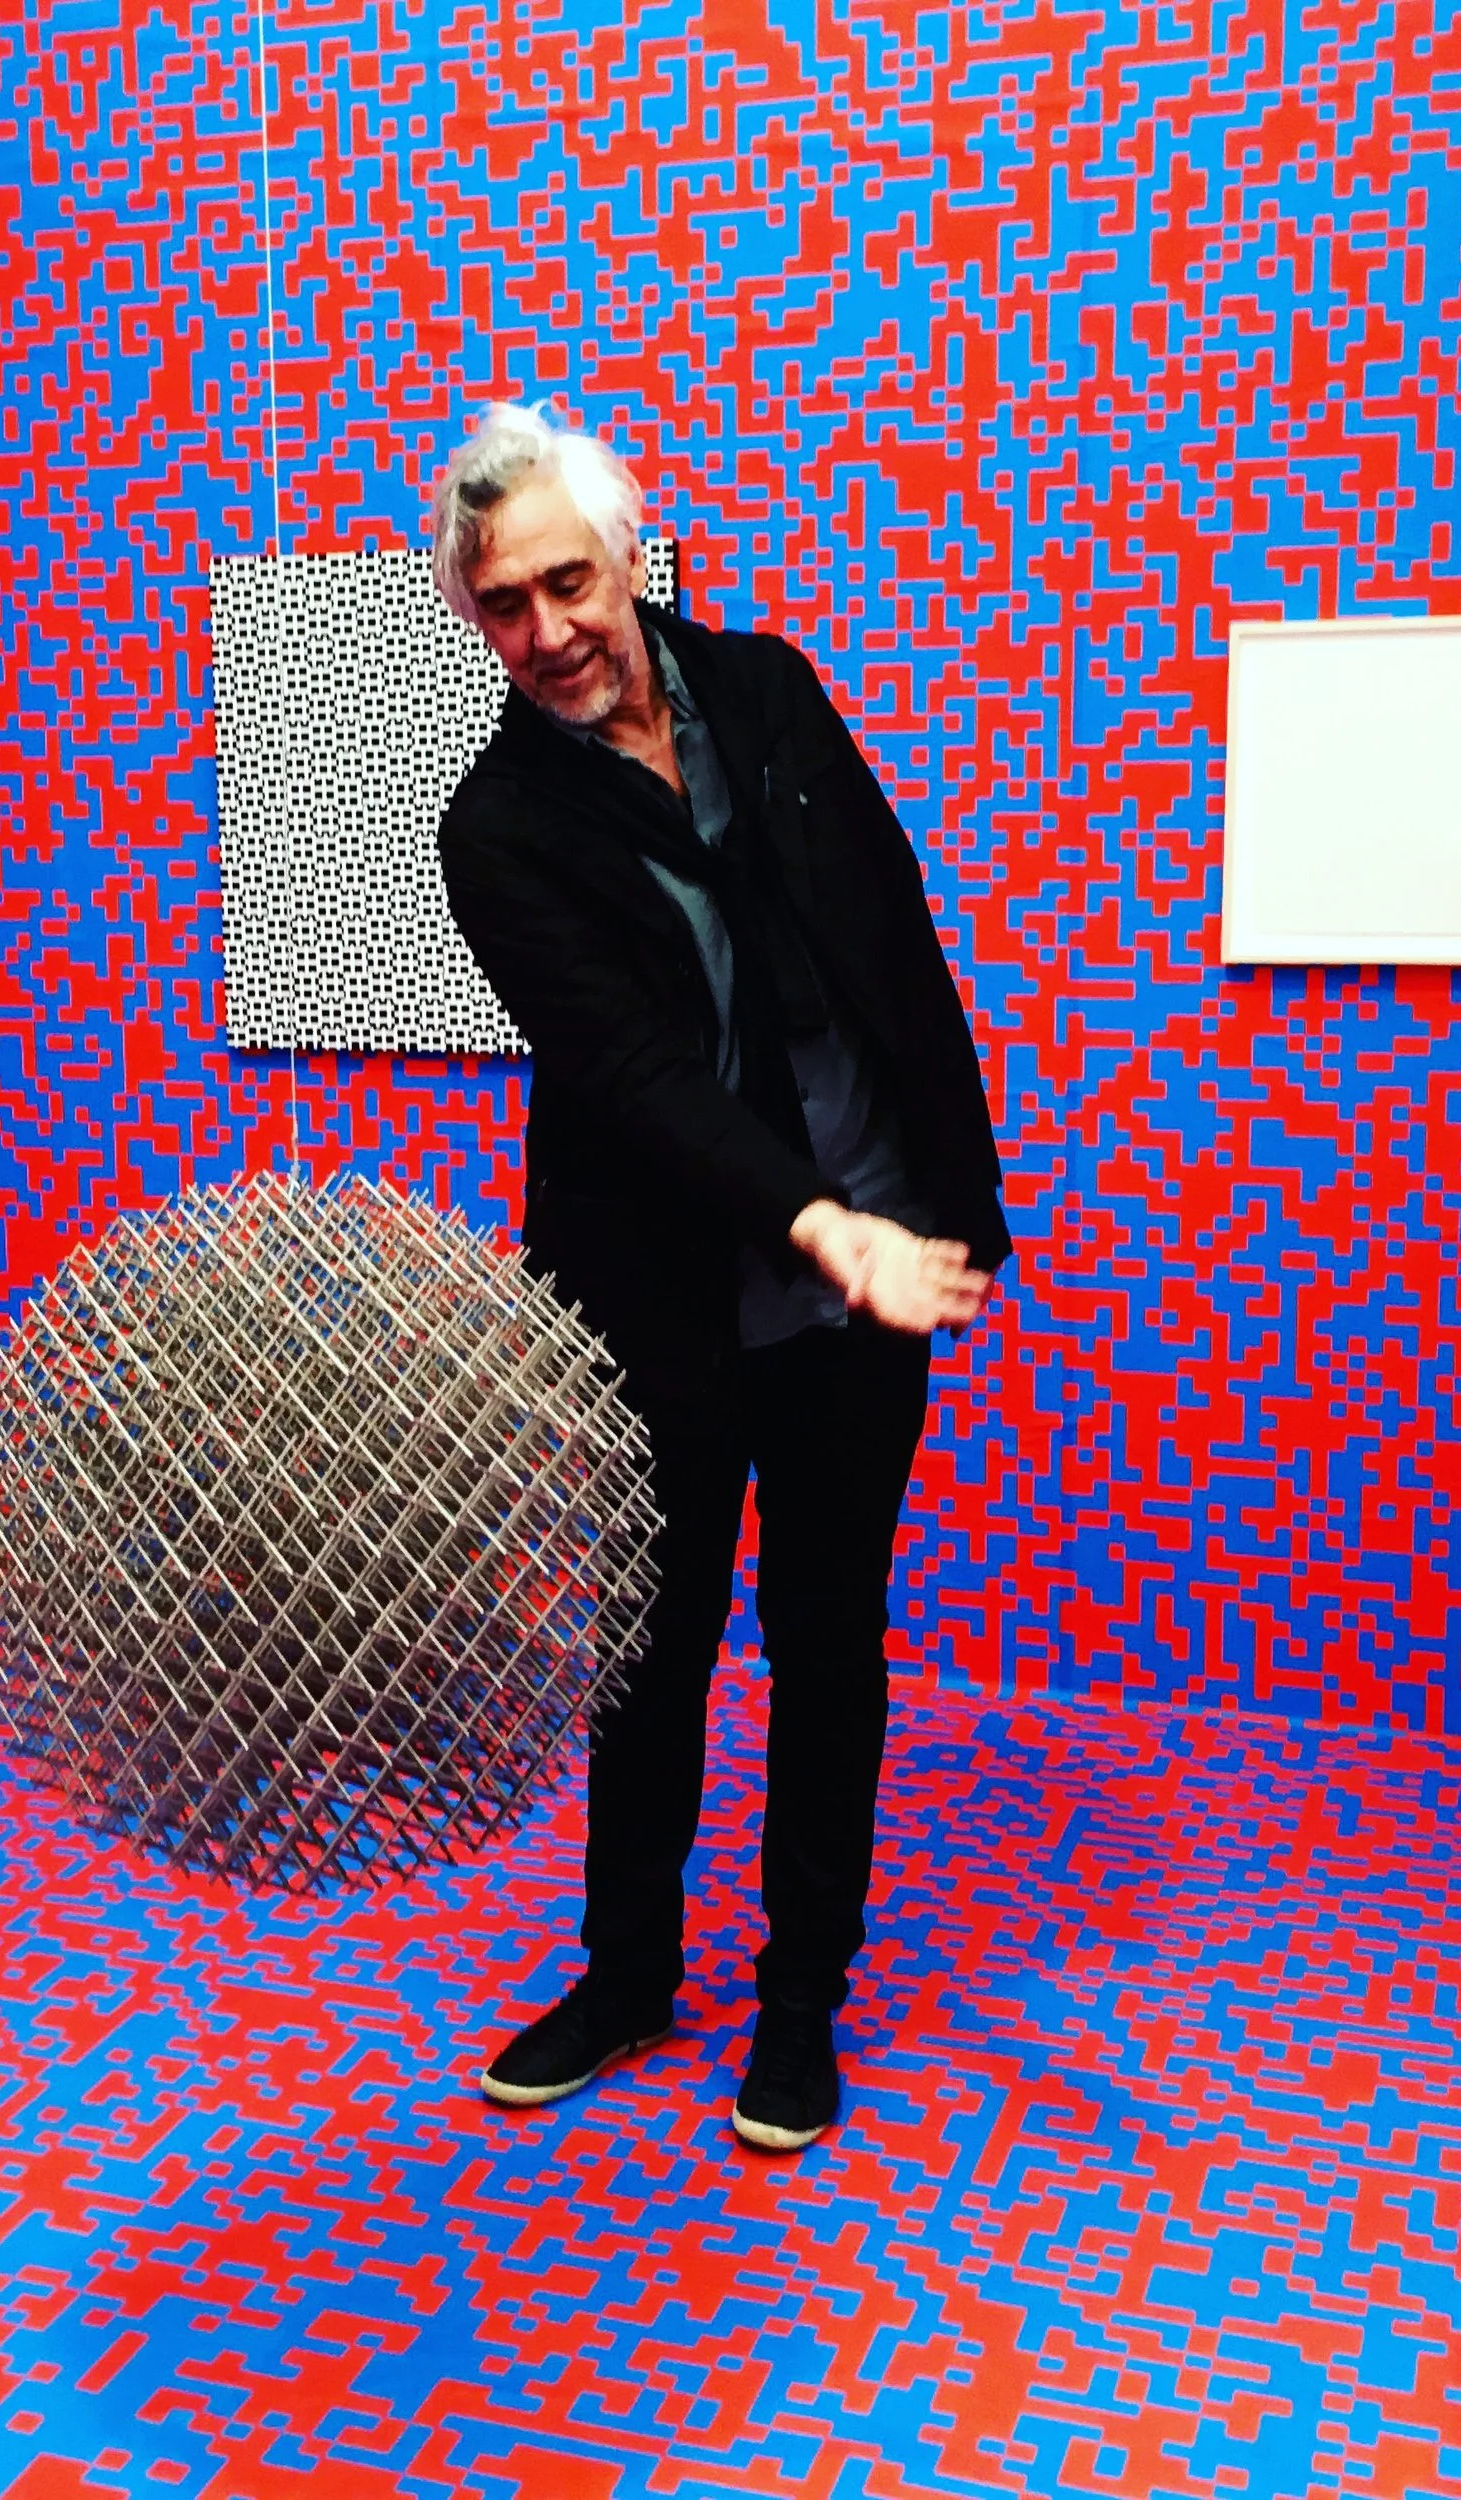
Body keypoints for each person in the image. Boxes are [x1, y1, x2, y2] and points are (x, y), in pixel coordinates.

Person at [431, 404, 1010, 2152]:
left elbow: (893, 932)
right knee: (652, 1647)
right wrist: (818, 1224)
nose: (548, 631)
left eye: (568, 582)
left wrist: (941, 1198)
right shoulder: (497, 827)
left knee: (829, 1634)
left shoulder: (764, 689)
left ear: (628, 555)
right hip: (669, 1292)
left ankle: (800, 1992)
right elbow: (631, 1075)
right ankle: (627, 1972)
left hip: (870, 1266)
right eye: (505, 606)